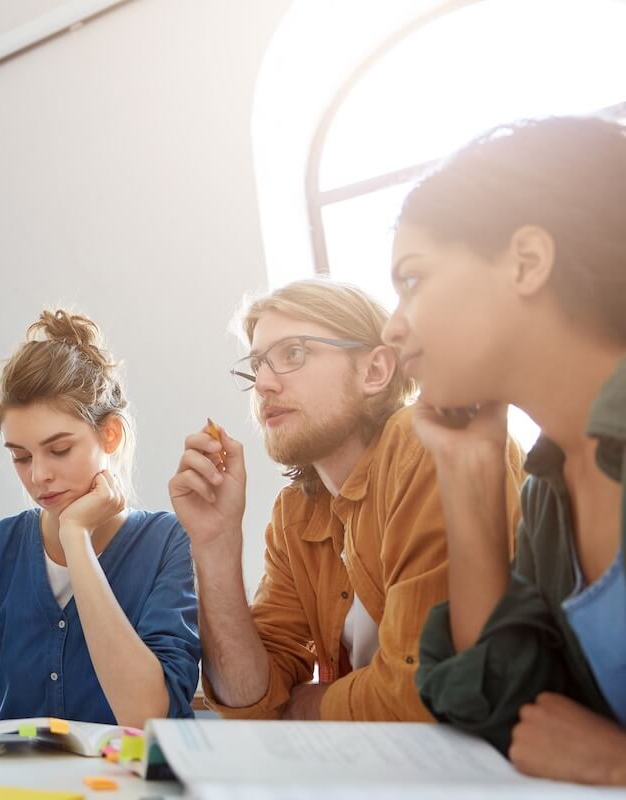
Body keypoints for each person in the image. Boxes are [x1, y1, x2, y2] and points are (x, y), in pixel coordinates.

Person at [383, 116, 626, 787]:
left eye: (412, 279)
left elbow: (582, 751)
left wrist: (615, 762)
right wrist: (469, 475)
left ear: (526, 261)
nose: (392, 324)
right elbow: (508, 718)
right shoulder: (551, 490)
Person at [170, 279, 523, 721]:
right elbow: (249, 698)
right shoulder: (295, 515)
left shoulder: (428, 443)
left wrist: (303, 705)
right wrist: (215, 545)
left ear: (375, 371)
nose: (262, 384)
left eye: (293, 354)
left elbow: (428, 692)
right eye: (257, 364)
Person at [0, 310, 199, 727]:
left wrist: (76, 537)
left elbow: (148, 715)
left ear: (110, 434)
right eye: (20, 456)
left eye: (58, 450)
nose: (38, 475)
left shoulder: (167, 542)